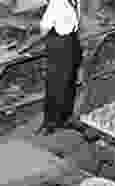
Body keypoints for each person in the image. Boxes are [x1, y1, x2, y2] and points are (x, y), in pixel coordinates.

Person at [35, 0, 82, 136]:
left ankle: (66, 117)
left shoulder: (75, 1)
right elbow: (44, 26)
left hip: (71, 40)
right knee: (55, 83)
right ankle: (50, 122)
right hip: (59, 43)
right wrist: (53, 37)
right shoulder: (57, 2)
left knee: (69, 82)